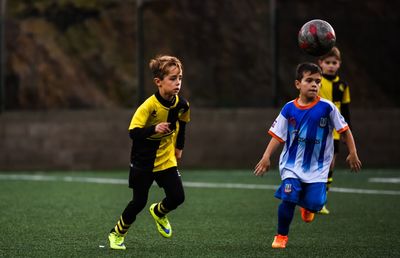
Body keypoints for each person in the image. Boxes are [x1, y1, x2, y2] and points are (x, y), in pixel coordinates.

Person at [254, 62, 361, 249]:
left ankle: (308, 206)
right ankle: (281, 236)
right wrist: (266, 156)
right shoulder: (289, 108)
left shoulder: (327, 108)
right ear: (298, 84)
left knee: (316, 204)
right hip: (291, 166)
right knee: (288, 198)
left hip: (318, 169)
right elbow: (277, 135)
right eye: (309, 80)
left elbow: (345, 130)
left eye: (318, 81)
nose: (314, 84)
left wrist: (353, 152)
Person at [108, 55, 190, 250]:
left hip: (166, 159)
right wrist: (154, 129)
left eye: (179, 78)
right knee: (138, 202)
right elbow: (133, 132)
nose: (177, 82)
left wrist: (179, 148)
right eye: (172, 78)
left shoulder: (182, 104)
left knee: (178, 197)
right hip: (143, 161)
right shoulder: (148, 106)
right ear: (158, 82)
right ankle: (116, 234)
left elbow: (183, 124)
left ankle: (159, 212)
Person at [317, 46, 351, 215]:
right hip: (316, 128)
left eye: (334, 62)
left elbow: (345, 110)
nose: (331, 65)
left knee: (330, 164)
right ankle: (307, 194)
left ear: (339, 64)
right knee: (313, 162)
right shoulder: (316, 81)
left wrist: (346, 132)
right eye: (327, 62)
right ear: (320, 63)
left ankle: (321, 200)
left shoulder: (343, 86)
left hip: (334, 131)